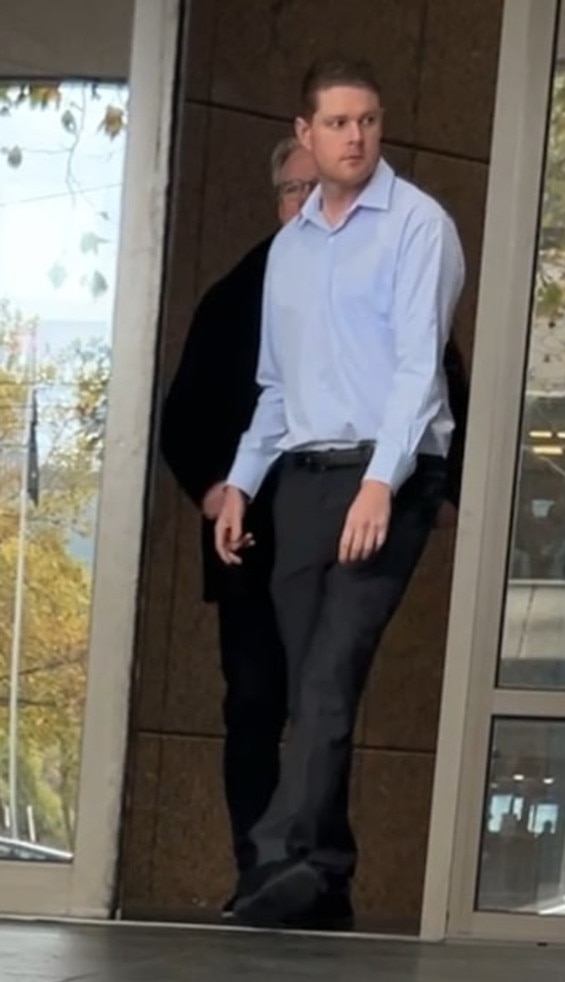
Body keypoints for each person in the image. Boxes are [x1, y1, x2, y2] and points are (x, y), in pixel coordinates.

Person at [216, 56, 466, 929]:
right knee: (310, 686)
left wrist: (379, 484)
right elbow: (276, 389)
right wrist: (243, 485)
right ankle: (327, 871)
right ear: (305, 133)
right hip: (304, 481)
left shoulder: (417, 227)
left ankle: (274, 859)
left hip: (386, 478)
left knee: (328, 677)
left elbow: (416, 373)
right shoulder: (288, 250)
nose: (355, 136)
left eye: (368, 120)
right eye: (337, 122)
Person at [160, 136, 318, 919]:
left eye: (317, 187)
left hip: (332, 539)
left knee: (325, 705)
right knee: (255, 702)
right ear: (275, 199)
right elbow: (180, 423)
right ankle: (256, 871)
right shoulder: (234, 296)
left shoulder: (374, 285)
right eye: (292, 189)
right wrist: (217, 490)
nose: (305, 202)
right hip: (250, 542)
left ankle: (320, 875)